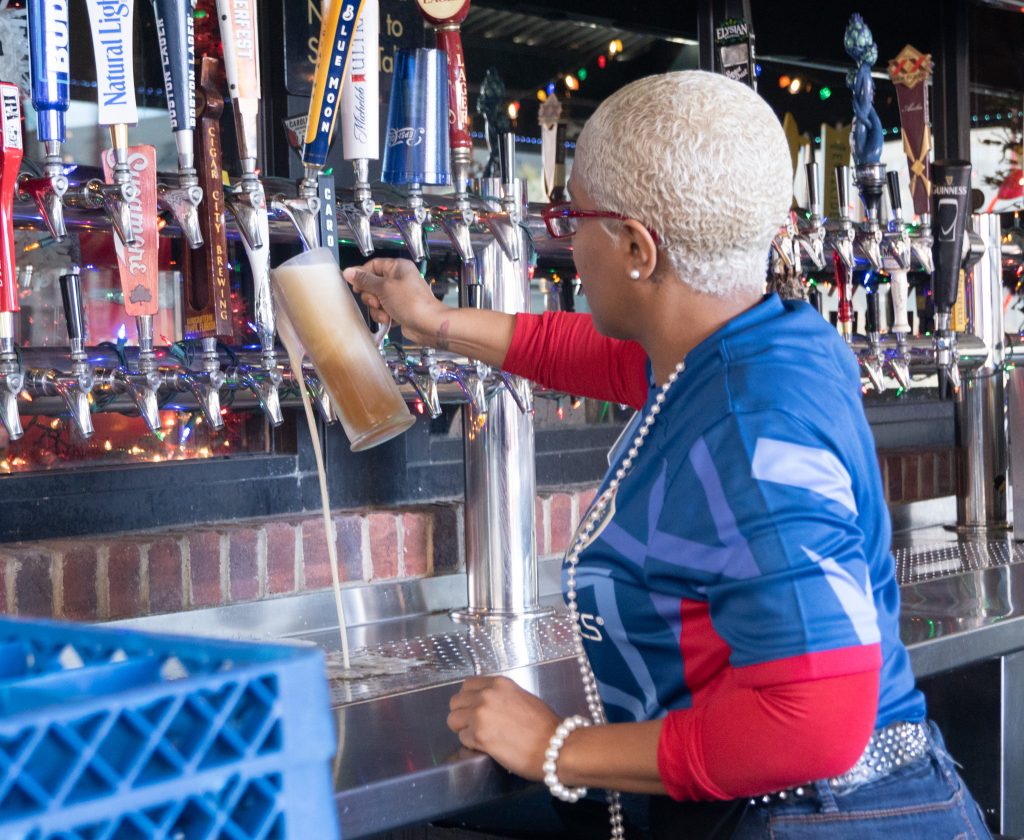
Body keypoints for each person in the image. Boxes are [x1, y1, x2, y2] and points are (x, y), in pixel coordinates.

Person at [344, 71, 992, 840]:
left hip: (820, 821)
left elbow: (815, 723)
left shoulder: (752, 430)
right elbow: (612, 356)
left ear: (635, 248)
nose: (566, 239)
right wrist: (441, 323)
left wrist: (558, 747)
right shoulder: (772, 338)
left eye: (571, 215)